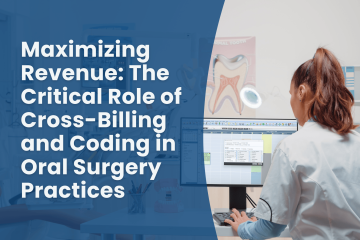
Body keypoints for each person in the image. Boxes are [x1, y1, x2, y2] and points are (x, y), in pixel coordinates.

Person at [225, 47, 360, 239]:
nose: (290, 101)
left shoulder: (292, 147)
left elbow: (269, 229)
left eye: (290, 93)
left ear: (301, 92)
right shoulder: (356, 141)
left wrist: (243, 227)